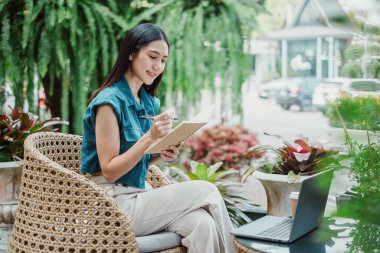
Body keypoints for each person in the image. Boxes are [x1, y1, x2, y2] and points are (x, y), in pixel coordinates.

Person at [80, 23, 236, 253]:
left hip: (141, 197)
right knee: (207, 190)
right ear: (131, 53)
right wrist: (149, 138)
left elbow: (136, 160)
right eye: (152, 57)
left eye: (163, 60)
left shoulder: (147, 101)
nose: (157, 66)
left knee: (203, 225)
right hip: (112, 204)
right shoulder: (108, 102)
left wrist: (159, 153)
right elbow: (110, 170)